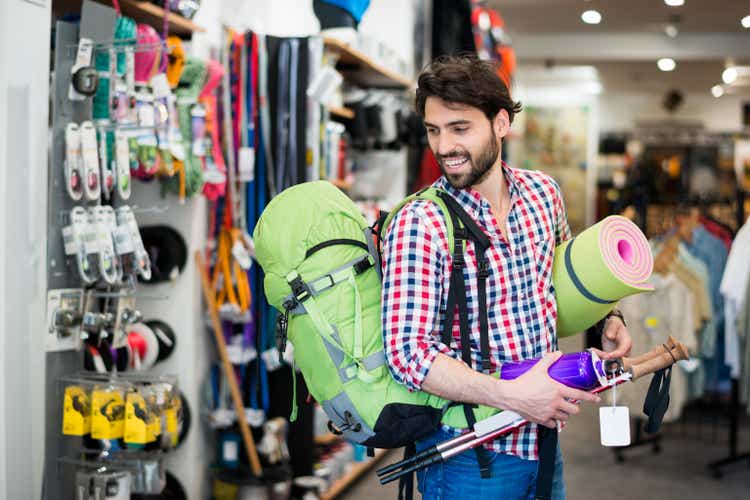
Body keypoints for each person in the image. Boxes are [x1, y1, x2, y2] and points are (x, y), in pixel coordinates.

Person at [380, 55, 632, 500]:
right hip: (468, 455)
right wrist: (513, 396)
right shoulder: (420, 222)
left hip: (544, 439)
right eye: (433, 130)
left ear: (500, 123)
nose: (443, 147)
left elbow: (564, 275)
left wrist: (608, 317)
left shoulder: (543, 194)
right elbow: (407, 354)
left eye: (460, 129)